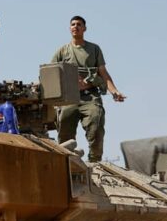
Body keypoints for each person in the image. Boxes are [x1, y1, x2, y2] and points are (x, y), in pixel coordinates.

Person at [51, 15, 125, 162]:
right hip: (69, 98)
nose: (75, 27)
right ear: (69, 28)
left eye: (79, 24)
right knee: (65, 131)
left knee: (96, 122)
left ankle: (94, 162)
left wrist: (114, 91)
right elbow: (51, 73)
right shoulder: (63, 51)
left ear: (84, 28)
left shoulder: (94, 49)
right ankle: (67, 162)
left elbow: (103, 72)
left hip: (90, 96)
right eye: (73, 24)